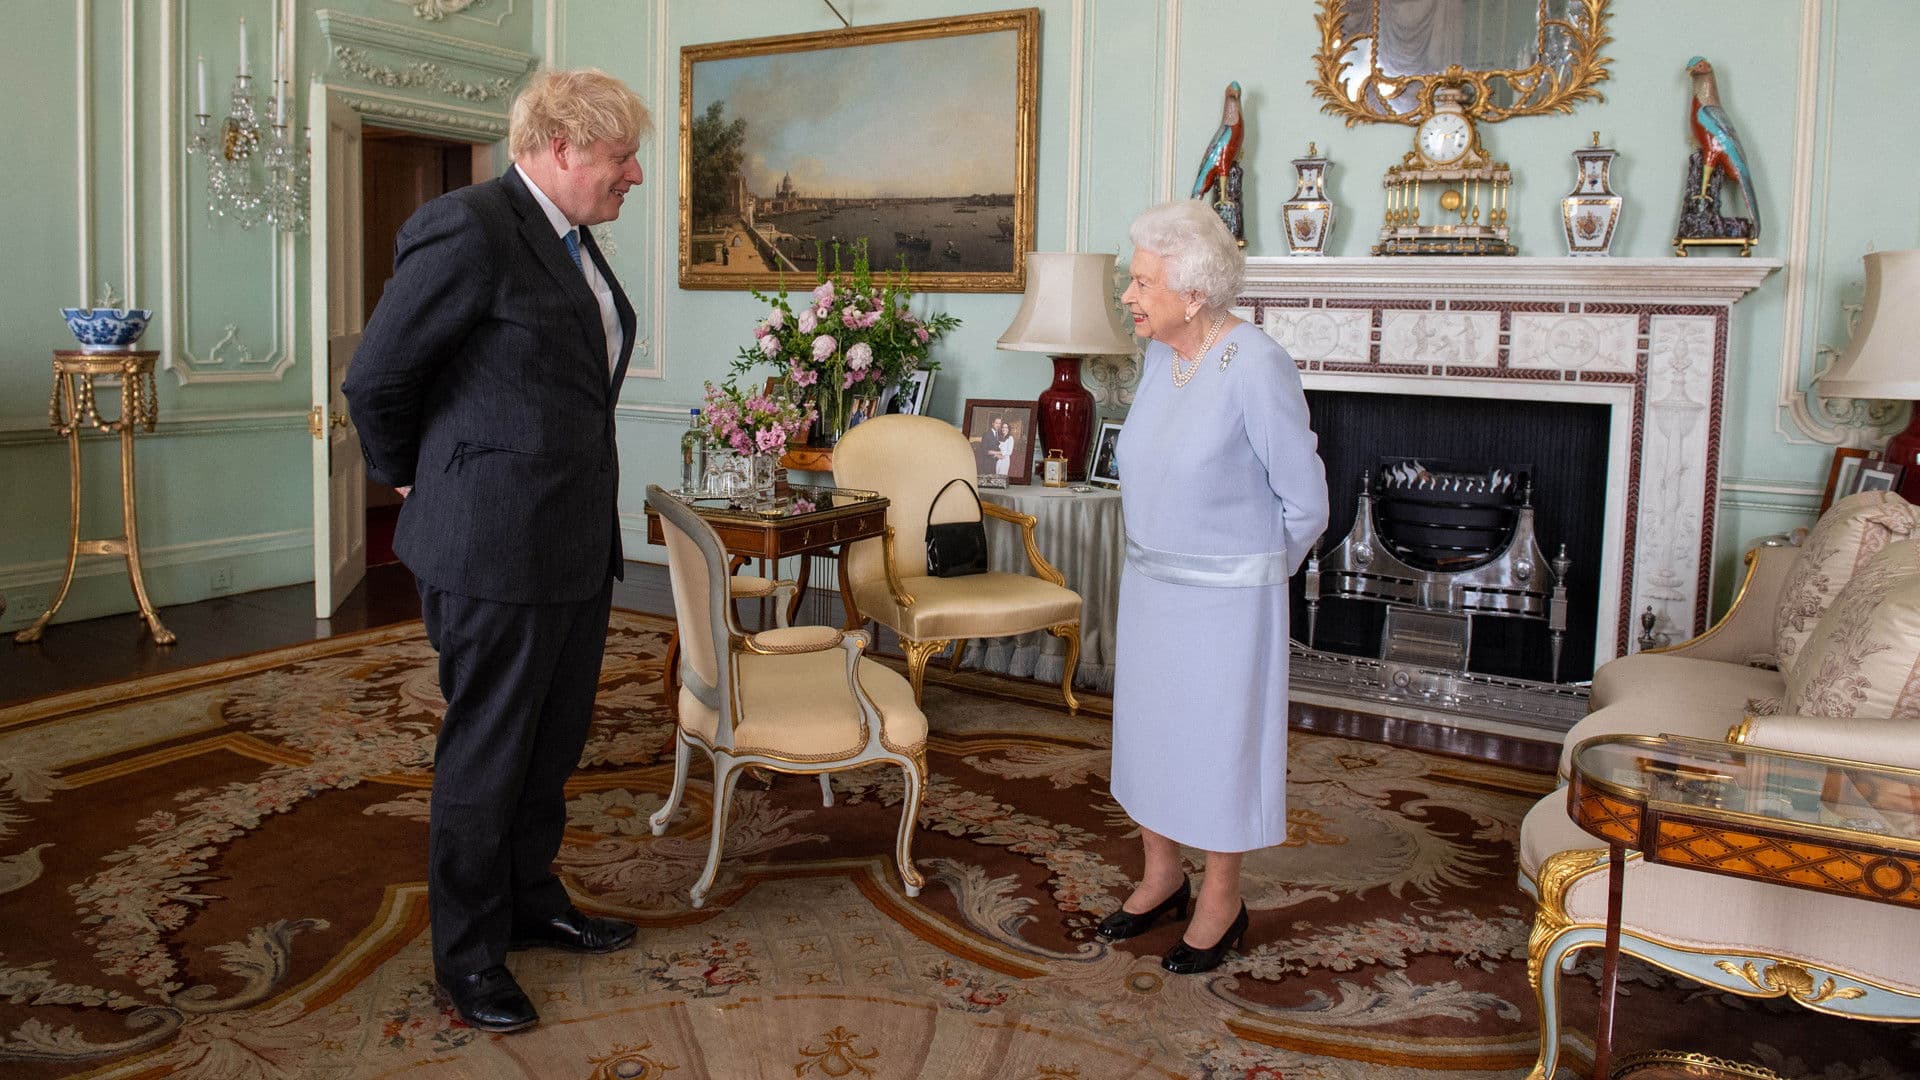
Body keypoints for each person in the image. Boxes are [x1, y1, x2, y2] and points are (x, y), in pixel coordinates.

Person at [341, 68, 650, 1034]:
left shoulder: (572, 239)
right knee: (487, 755)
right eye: (619, 156)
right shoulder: (471, 227)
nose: (633, 173)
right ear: (560, 148)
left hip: (566, 542)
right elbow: (377, 377)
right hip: (492, 548)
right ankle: (467, 957)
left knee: (549, 747)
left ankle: (530, 902)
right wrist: (411, 477)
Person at [1102, 199, 1328, 974]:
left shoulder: (1256, 364)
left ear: (1193, 293)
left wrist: (1254, 575)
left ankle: (1221, 899)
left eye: (1140, 282)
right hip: (1153, 586)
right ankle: (1162, 874)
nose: (1128, 296)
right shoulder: (1162, 355)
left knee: (1220, 747)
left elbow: (1306, 501)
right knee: (1149, 734)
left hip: (1229, 602)